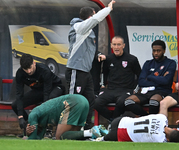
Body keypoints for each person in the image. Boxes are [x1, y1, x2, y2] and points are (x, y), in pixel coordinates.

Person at [65, 0, 116, 129]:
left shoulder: (88, 31)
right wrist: (107, 9)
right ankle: (66, 129)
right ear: (89, 16)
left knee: (89, 100)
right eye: (93, 15)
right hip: (76, 69)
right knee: (74, 100)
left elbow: (86, 49)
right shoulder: (79, 27)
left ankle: (85, 129)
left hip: (85, 71)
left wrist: (97, 54)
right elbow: (95, 20)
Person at [12, 54, 65, 136]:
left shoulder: (44, 70)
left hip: (55, 87)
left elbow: (46, 94)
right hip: (39, 90)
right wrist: (20, 117)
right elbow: (19, 94)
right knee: (15, 105)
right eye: (26, 69)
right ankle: (29, 128)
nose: (29, 71)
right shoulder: (20, 73)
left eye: (30, 68)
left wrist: (42, 109)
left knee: (49, 100)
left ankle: (48, 130)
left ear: (34, 63)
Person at [121, 40, 176, 117]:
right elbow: (141, 81)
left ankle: (150, 122)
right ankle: (146, 118)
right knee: (128, 102)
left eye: (158, 51)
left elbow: (166, 81)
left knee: (153, 102)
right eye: (154, 51)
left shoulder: (170, 63)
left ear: (164, 51)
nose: (156, 53)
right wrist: (159, 79)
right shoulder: (148, 63)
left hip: (162, 91)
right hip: (146, 92)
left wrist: (150, 77)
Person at [93, 35, 141, 122]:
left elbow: (139, 75)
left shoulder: (132, 59)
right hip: (111, 90)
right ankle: (112, 118)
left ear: (123, 45)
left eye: (119, 44)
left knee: (121, 102)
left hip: (126, 90)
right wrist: (102, 85)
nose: (116, 47)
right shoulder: (108, 59)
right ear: (111, 45)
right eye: (114, 44)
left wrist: (135, 89)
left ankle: (114, 121)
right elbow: (104, 73)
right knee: (96, 103)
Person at [26, 94, 106, 140]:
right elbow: (38, 138)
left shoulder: (33, 115)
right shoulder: (41, 117)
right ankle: (98, 131)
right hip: (83, 101)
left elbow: (32, 139)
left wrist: (26, 137)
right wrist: (27, 134)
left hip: (73, 102)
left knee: (59, 137)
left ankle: (91, 132)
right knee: (73, 137)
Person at [94, 114, 179, 143]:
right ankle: (99, 135)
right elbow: (170, 140)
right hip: (120, 134)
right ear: (167, 139)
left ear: (175, 129)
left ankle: (99, 131)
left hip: (121, 120)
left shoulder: (162, 118)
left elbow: (173, 134)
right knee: (102, 139)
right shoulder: (159, 139)